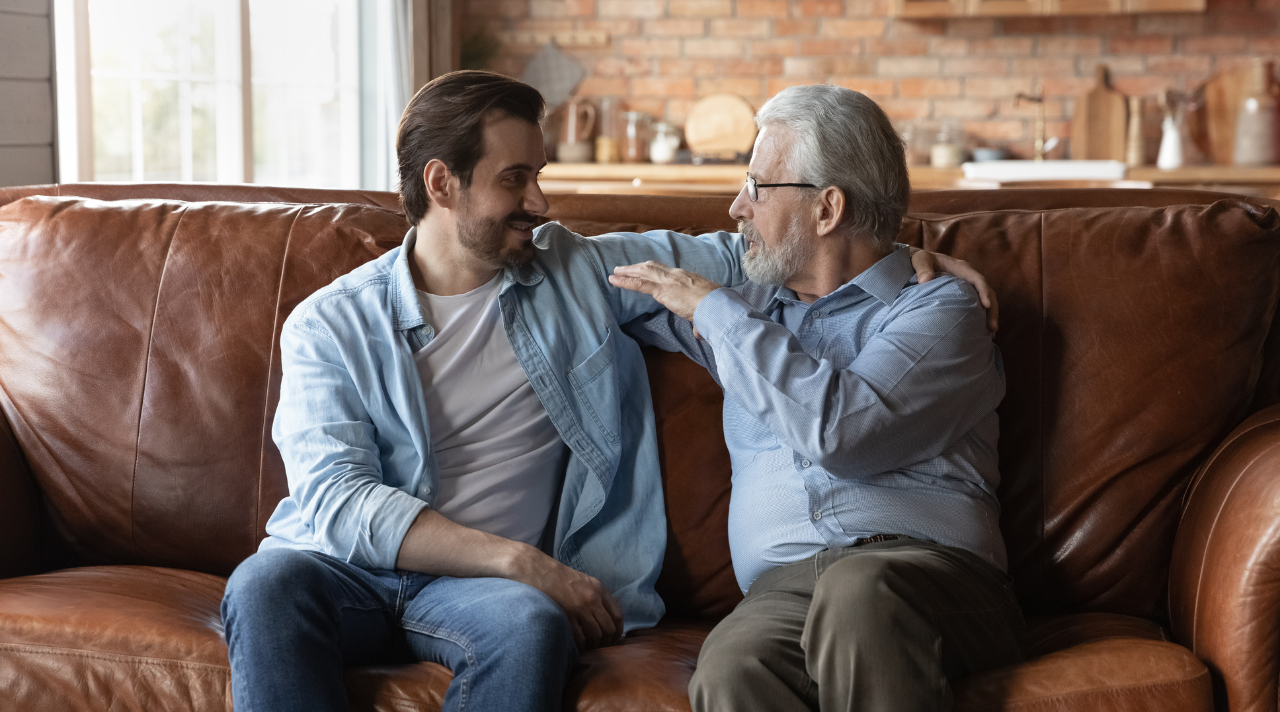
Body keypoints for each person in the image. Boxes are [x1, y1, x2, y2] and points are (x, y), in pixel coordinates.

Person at [221, 71, 996, 712]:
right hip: (352, 572)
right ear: (441, 184)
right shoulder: (328, 323)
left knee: (531, 627)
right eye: (515, 179)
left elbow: (770, 252)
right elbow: (335, 498)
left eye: (541, 175)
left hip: (484, 600)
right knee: (266, 583)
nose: (543, 203)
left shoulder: (576, 273)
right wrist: (520, 561)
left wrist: (917, 254)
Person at [609, 84, 1023, 712]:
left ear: (828, 209)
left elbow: (843, 433)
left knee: (859, 593)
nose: (735, 207)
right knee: (730, 667)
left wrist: (716, 313)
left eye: (756, 187)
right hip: (782, 591)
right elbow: (577, 274)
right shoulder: (747, 305)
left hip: (930, 573)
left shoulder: (941, 309)